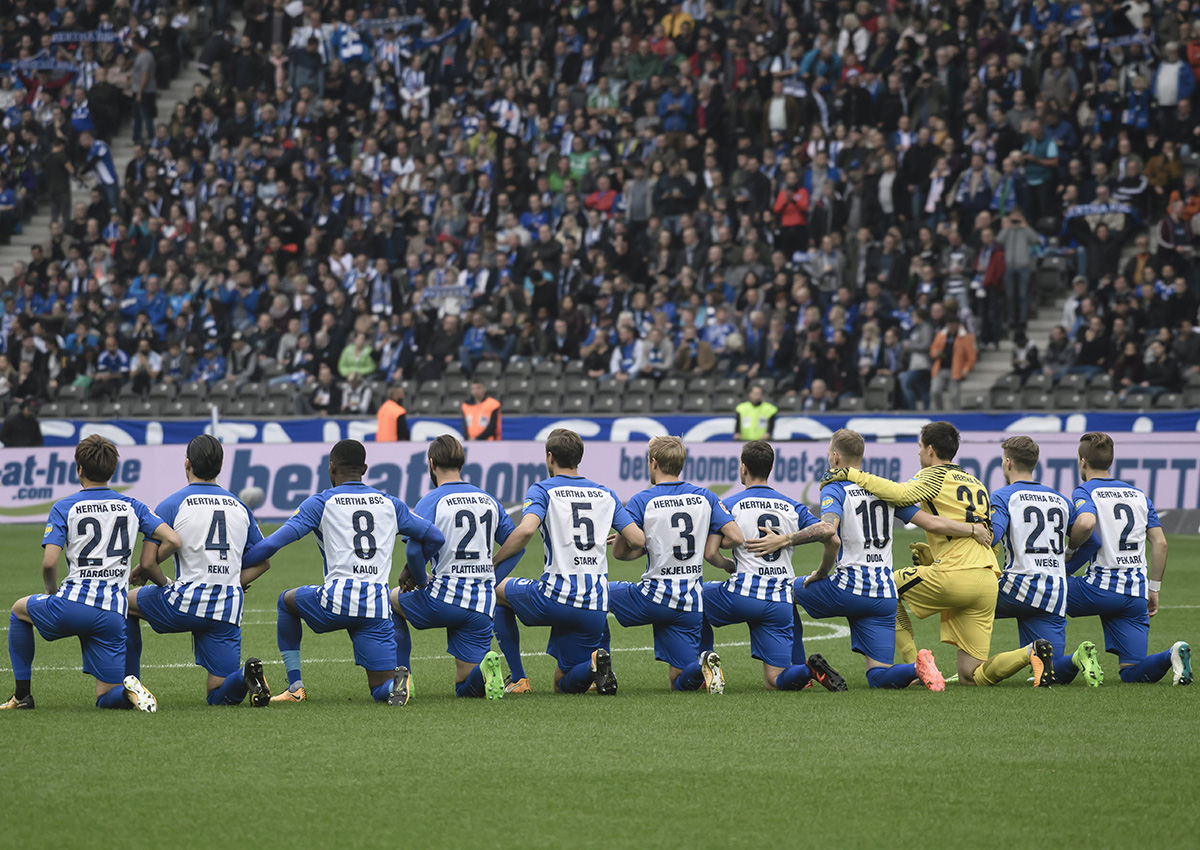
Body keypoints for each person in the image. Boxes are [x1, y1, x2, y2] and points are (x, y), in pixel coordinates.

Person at [821, 421, 1053, 687]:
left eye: (920, 447)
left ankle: (914, 664)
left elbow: (900, 493)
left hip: (956, 575)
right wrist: (934, 556)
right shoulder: (976, 483)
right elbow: (988, 537)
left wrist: (851, 473)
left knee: (885, 586)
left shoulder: (935, 475)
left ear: (931, 449)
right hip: (988, 578)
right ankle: (1029, 652)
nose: (918, 453)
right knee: (971, 675)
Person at [241, 439, 445, 704]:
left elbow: (272, 544)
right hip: (376, 607)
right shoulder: (390, 503)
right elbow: (435, 537)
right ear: (365, 468)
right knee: (379, 688)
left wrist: (238, 566)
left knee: (286, 602)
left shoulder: (320, 503)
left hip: (335, 601)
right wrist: (412, 570)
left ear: (331, 468)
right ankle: (398, 682)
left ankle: (295, 687)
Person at [790, 430, 986, 689]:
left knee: (783, 592)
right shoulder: (885, 489)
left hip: (848, 587)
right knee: (879, 676)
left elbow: (828, 528)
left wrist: (788, 542)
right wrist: (973, 529)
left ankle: (798, 673)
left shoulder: (835, 488)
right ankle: (916, 667)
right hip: (883, 594)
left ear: (835, 457)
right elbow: (931, 522)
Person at [3, 435, 179, 710]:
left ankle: (22, 696)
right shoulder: (133, 506)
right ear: (113, 470)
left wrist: (51, 594)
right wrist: (144, 566)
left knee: (18, 611)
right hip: (112, 613)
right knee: (104, 696)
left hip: (70, 604)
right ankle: (127, 694)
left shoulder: (65, 506)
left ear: (80, 469)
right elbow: (172, 540)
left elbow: (49, 562)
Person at [490, 429, 645, 695]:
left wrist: (494, 562)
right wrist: (616, 533)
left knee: (495, 592)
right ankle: (594, 666)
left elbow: (526, 530)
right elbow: (638, 540)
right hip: (595, 605)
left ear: (550, 457)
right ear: (579, 458)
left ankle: (519, 678)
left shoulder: (543, 489)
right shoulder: (605, 493)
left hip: (554, 598)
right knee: (563, 682)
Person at [125, 435, 273, 706]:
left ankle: (130, 686)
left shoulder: (172, 504)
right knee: (218, 695)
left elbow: (147, 564)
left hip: (184, 602)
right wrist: (233, 582)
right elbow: (263, 561)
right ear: (220, 466)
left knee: (122, 604)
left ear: (187, 463)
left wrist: (165, 583)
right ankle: (243, 677)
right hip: (226, 608)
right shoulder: (240, 507)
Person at [700, 439, 846, 692]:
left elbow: (710, 553)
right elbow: (831, 535)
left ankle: (701, 670)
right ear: (771, 468)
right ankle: (807, 670)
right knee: (775, 681)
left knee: (691, 600)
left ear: (743, 468)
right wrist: (815, 565)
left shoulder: (729, 504)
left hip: (741, 595)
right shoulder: (792, 506)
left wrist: (726, 564)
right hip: (780, 599)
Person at [608, 436, 743, 693]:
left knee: (595, 595)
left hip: (654, 597)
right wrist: (709, 540)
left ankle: (596, 669)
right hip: (690, 602)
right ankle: (701, 663)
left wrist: (632, 537)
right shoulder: (706, 497)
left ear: (654, 462)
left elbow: (621, 554)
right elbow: (736, 537)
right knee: (679, 681)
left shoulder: (642, 500)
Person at [391, 436, 516, 701]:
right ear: (462, 463)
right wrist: (491, 581)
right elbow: (517, 546)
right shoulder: (488, 499)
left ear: (432, 464)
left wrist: (422, 582)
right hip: (481, 603)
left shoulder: (432, 500)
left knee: (389, 601)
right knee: (465, 686)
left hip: (442, 598)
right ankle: (484, 669)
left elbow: (413, 550)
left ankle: (401, 679)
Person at [1065, 433, 1191, 685]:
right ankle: (1171, 655)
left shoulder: (1085, 490)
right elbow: (1160, 543)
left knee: (1041, 593)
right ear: (1110, 462)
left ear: (1082, 461)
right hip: (1134, 594)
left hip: (1097, 589)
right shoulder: (1138, 495)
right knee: (1133, 672)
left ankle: (1057, 663)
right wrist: (1153, 589)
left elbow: (1086, 523)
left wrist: (1068, 553)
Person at [986, 436, 1104, 686]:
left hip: (1015, 588)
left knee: (963, 602)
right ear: (1034, 464)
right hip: (1053, 591)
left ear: (1007, 463)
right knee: (1050, 670)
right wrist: (1064, 567)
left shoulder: (1003, 496)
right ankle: (1076, 658)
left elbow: (992, 536)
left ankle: (968, 670)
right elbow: (1092, 542)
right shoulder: (1060, 499)